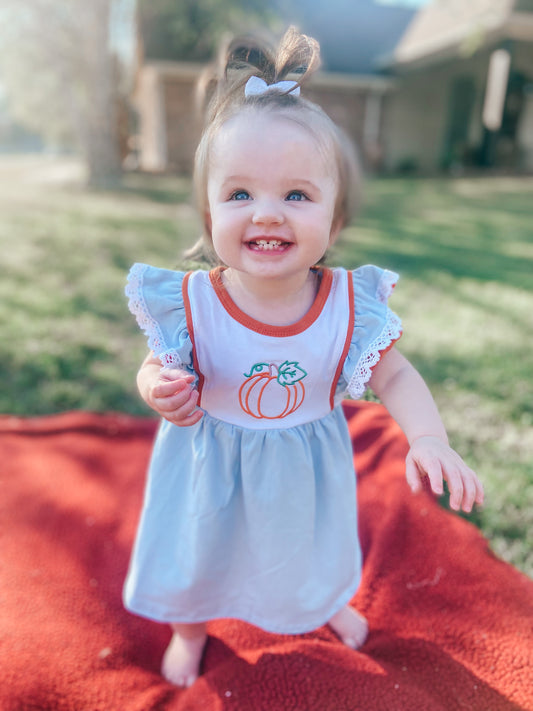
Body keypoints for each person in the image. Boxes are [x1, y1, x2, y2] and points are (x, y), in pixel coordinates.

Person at [124, 27, 484, 688]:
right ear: (209, 219)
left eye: (296, 195)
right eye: (239, 195)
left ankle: (320, 602)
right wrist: (157, 387)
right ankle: (189, 628)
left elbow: (395, 372)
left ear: (335, 220)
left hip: (302, 467)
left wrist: (428, 437)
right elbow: (156, 363)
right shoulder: (191, 303)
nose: (267, 214)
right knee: (197, 549)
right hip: (209, 464)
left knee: (309, 546)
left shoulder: (349, 305)